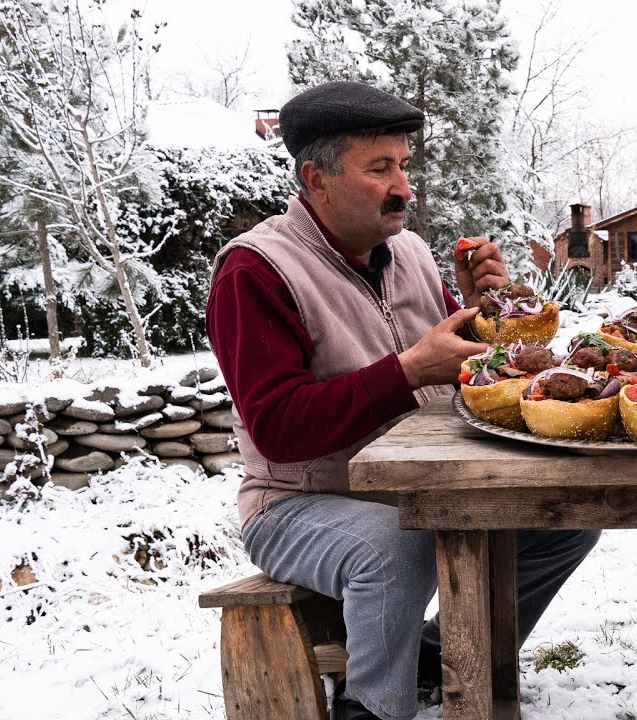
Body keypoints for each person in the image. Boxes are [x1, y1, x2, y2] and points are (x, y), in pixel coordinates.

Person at [206, 81, 601, 720]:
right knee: (397, 544)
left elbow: (464, 362)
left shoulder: (410, 252)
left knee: (567, 516)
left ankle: (435, 658)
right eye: (380, 169)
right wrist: (409, 369)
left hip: (421, 485)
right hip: (298, 503)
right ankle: (372, 708)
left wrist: (482, 312)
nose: (404, 187)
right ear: (316, 178)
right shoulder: (255, 271)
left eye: (405, 166)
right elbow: (278, 428)